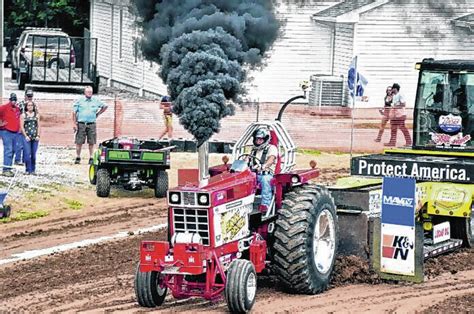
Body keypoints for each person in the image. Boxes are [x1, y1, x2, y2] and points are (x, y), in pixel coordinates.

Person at [72, 86, 108, 164]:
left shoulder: (95, 100)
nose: (89, 94)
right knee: (79, 141)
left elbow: (105, 106)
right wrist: (74, 123)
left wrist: (98, 113)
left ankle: (91, 157)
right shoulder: (79, 101)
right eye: (88, 92)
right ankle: (78, 156)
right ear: (85, 92)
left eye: (91, 92)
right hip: (81, 124)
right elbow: (74, 112)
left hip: (91, 124)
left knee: (91, 142)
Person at [249, 127, 278, 212]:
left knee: (265, 180)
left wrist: (263, 166)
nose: (258, 141)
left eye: (260, 139)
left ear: (265, 139)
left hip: (267, 174)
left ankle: (265, 205)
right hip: (254, 174)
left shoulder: (271, 148)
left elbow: (271, 159)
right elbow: (247, 159)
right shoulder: (253, 149)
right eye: (257, 139)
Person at [0, 93, 21, 176]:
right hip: (6, 131)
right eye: (12, 100)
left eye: (15, 100)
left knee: (13, 150)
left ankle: (8, 167)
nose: (13, 101)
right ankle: (5, 169)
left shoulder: (17, 109)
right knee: (8, 150)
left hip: (15, 132)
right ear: (10, 100)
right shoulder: (4, 107)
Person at [14, 89, 35, 166]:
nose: (29, 97)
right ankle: (17, 159)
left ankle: (24, 160)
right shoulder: (20, 104)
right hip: (20, 127)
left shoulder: (34, 105)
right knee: (19, 144)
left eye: (31, 96)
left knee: (27, 145)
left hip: (29, 127)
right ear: (25, 96)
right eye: (28, 96)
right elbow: (16, 115)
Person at [20, 100, 41, 175]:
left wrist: (38, 135)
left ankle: (33, 169)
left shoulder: (37, 115)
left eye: (31, 105)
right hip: (27, 136)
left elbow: (38, 126)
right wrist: (25, 136)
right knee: (27, 153)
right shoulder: (23, 115)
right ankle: (27, 169)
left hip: (35, 137)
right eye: (28, 105)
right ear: (26, 106)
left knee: (33, 154)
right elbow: (22, 127)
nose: (30, 107)